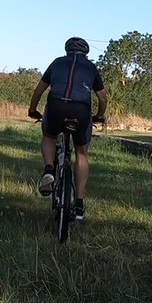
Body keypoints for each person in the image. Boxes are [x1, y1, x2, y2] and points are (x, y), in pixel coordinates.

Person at [28, 36, 107, 222]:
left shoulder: (57, 63)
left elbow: (38, 91)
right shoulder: (91, 67)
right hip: (81, 109)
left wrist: (32, 110)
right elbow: (103, 97)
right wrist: (99, 116)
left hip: (56, 106)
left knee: (49, 136)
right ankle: (78, 204)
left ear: (67, 50)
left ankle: (49, 169)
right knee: (81, 153)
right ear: (86, 53)